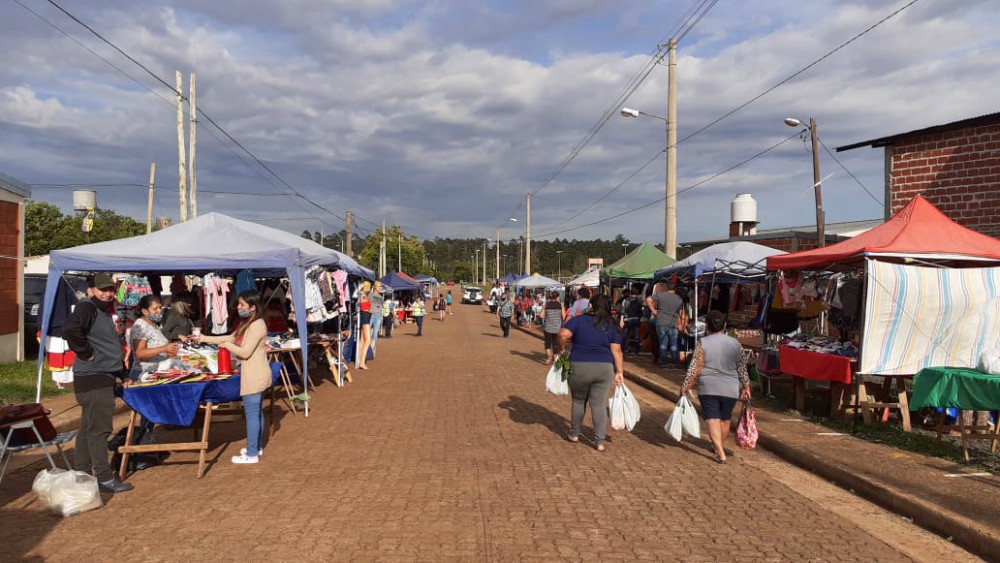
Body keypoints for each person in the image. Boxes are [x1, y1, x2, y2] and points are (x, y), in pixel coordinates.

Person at [63, 273, 133, 492]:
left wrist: (123, 373)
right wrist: (87, 353)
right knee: (100, 431)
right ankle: (103, 477)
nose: (108, 294)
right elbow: (70, 330)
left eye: (111, 290)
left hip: (98, 377)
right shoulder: (87, 307)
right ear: (90, 290)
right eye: (102, 289)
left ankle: (82, 476)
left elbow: (108, 346)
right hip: (94, 378)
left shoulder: (102, 312)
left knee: (87, 429)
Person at [196, 290, 270, 464]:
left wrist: (227, 346)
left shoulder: (256, 326)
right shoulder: (249, 323)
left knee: (252, 414)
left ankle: (251, 454)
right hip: (256, 374)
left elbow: (244, 352)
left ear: (253, 307)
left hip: (255, 375)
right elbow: (231, 337)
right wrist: (204, 338)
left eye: (242, 304)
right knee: (256, 413)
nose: (238, 307)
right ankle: (256, 448)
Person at [679, 310, 751, 464]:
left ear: (707, 326)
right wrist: (746, 386)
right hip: (730, 387)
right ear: (724, 325)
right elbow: (742, 368)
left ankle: (720, 452)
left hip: (708, 386)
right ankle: (718, 447)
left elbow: (694, 367)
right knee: (725, 419)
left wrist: (685, 386)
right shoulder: (736, 344)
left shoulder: (702, 343)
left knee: (712, 419)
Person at [556, 294, 624, 452]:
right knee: (599, 404)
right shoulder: (611, 325)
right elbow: (617, 350)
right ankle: (600, 441)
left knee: (578, 401)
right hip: (604, 368)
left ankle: (574, 434)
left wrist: (562, 349)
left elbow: (562, 334)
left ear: (591, 306)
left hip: (579, 364)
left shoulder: (579, 320)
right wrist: (619, 371)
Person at [129, 295, 181, 380]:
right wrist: (163, 348)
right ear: (145, 311)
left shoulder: (155, 324)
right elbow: (139, 353)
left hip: (157, 372)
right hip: (143, 374)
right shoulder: (141, 326)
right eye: (155, 309)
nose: (159, 311)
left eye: (160, 307)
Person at [647, 282, 684, 367]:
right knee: (674, 343)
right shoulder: (679, 298)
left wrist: (653, 310)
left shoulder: (660, 295)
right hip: (673, 323)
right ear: (675, 289)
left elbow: (648, 299)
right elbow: (681, 313)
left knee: (663, 343)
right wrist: (681, 324)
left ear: (667, 288)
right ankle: (674, 362)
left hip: (661, 323)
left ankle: (664, 361)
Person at [542, 291, 565, 365]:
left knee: (547, 343)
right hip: (557, 328)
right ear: (557, 297)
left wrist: (547, 316)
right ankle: (555, 359)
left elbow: (541, 315)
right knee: (555, 343)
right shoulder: (560, 305)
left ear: (551, 297)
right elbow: (564, 316)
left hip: (547, 327)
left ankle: (549, 357)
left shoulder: (546, 304)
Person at [619, 289, 644, 354]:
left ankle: (622, 350)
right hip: (636, 320)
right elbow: (641, 312)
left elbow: (623, 311)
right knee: (636, 337)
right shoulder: (638, 301)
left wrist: (621, 320)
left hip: (627, 320)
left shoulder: (625, 301)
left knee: (624, 336)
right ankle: (636, 351)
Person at [357, 281, 372, 369]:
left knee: (363, 340)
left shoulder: (363, 295)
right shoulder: (362, 295)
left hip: (366, 316)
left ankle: (360, 361)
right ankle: (362, 362)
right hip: (365, 317)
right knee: (368, 340)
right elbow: (364, 307)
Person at [369, 281, 385, 355]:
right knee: (367, 331)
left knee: (375, 332)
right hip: (371, 314)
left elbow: (382, 306)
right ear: (375, 287)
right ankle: (367, 346)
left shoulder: (381, 297)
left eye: (380, 286)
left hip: (378, 316)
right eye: (378, 286)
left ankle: (372, 348)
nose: (379, 288)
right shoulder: (370, 295)